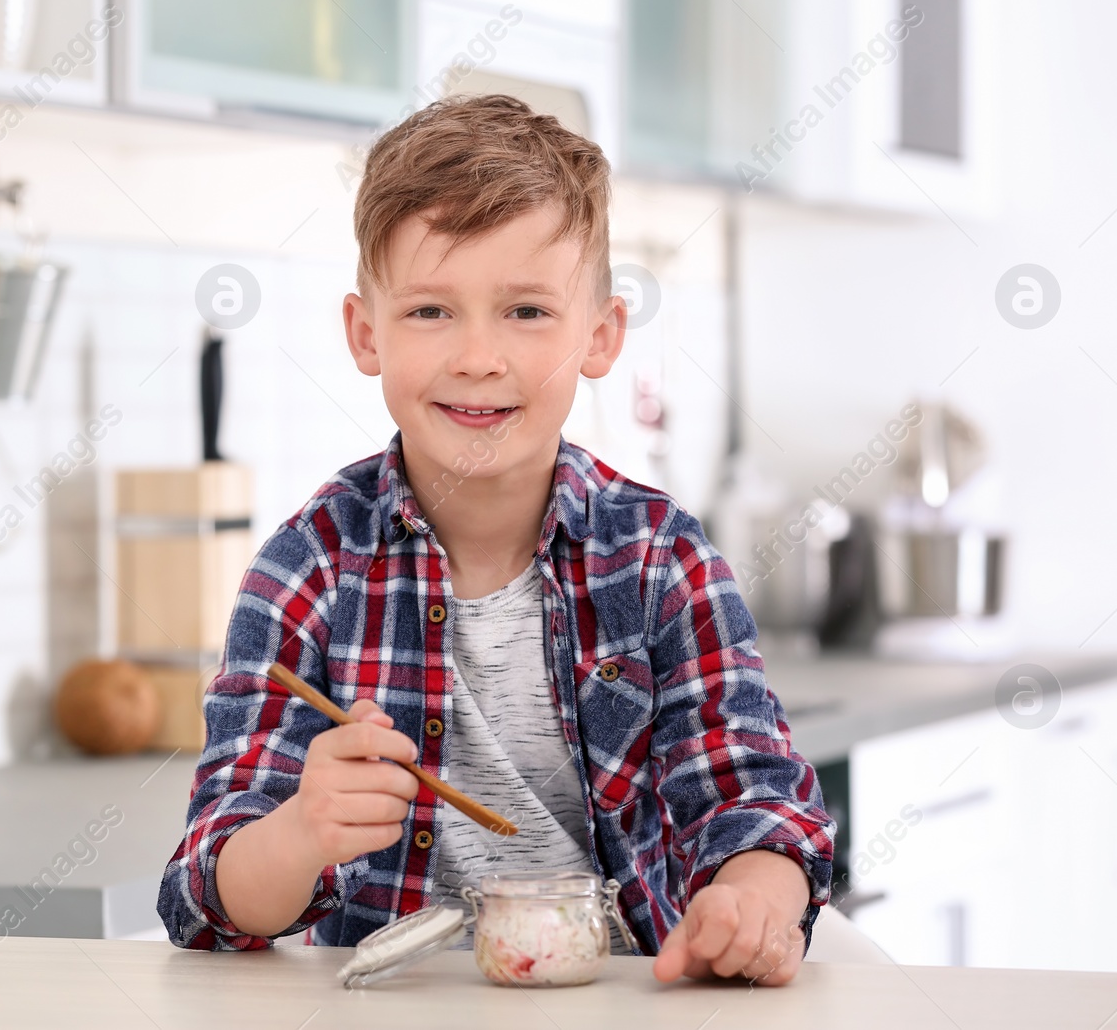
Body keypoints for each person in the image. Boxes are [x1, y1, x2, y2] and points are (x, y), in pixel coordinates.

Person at [158, 94, 835, 986]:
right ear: (366, 333)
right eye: (432, 311)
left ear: (601, 335)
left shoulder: (660, 558)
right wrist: (299, 831)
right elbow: (206, 899)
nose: (479, 356)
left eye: (526, 312)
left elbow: (756, 804)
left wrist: (752, 899)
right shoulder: (308, 565)